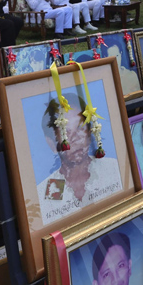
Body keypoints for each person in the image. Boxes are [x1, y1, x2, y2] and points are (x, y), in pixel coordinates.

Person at [37, 93, 121, 224]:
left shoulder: (114, 169)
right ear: (52, 143)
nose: (77, 138)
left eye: (81, 128)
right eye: (67, 133)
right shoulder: (43, 195)